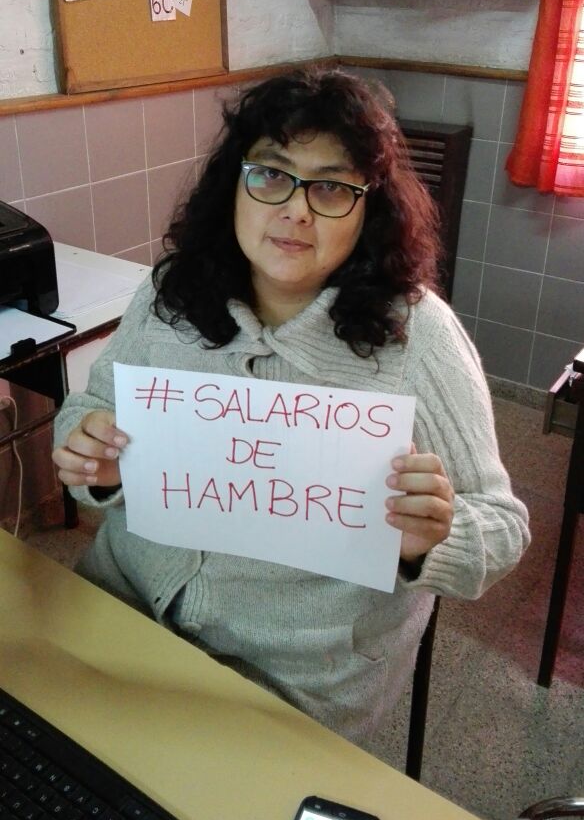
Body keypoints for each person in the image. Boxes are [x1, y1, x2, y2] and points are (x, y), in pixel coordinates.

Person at [52, 67, 529, 751]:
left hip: (294, 676)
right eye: (271, 175)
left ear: (368, 210)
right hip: (120, 608)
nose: (297, 210)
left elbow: (502, 527)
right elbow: (91, 411)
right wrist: (90, 456)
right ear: (235, 184)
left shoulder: (417, 336)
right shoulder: (167, 296)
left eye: (331, 187)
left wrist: (430, 540)